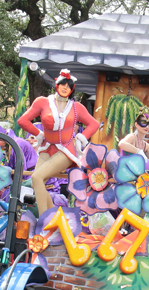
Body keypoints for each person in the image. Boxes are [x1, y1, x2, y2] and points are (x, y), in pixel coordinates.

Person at [16, 69, 101, 214]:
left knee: (36, 177)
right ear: (57, 84)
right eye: (63, 83)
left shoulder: (76, 107)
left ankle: (44, 222)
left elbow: (94, 124)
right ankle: (53, 219)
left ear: (72, 88)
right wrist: (39, 134)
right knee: (37, 183)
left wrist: (81, 138)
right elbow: (22, 120)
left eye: (68, 85)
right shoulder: (43, 102)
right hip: (47, 148)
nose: (65, 87)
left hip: (66, 150)